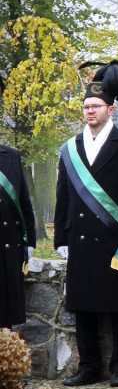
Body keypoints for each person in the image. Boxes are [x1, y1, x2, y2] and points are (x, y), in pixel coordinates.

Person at [56, 62, 118, 386]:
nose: (90, 112)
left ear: (111, 109)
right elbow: (64, 197)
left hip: (117, 241)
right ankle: (88, 368)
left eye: (96, 106)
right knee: (83, 308)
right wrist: (61, 239)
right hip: (81, 241)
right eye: (86, 107)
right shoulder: (70, 149)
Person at [1, 141, 35, 329]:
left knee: (4, 316)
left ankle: (5, 356)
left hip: (7, 246)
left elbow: (23, 199)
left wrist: (29, 239)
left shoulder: (11, 155)